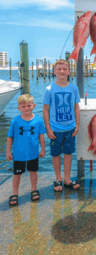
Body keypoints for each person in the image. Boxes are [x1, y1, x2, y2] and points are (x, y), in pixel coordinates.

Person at [43, 59, 80, 192]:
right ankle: (58, 178)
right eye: (59, 69)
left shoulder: (74, 88)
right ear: (54, 72)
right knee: (56, 154)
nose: (62, 71)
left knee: (69, 153)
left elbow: (76, 107)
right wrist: (48, 128)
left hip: (70, 128)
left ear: (69, 71)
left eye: (64, 69)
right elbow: (45, 109)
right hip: (55, 129)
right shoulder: (49, 89)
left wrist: (77, 125)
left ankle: (67, 179)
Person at [6, 94, 46, 206]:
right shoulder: (15, 121)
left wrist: (43, 149)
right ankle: (15, 193)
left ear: (34, 105)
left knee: (33, 172)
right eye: (23, 107)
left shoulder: (38, 120)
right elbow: (10, 137)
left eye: (29, 105)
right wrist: (8, 151)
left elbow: (41, 136)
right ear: (19, 108)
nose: (27, 108)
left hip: (33, 153)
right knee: (17, 174)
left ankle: (33, 189)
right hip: (18, 154)